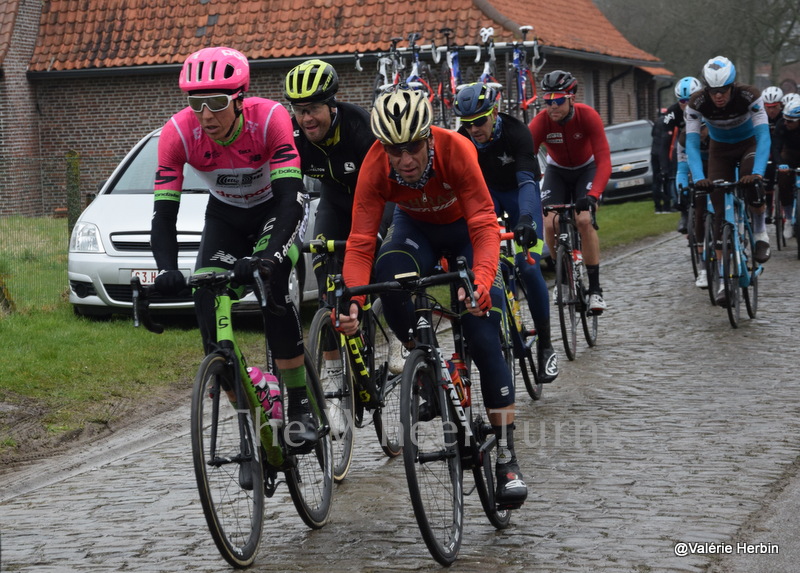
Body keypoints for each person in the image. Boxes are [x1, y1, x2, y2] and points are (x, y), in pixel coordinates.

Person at [338, 85, 528, 508]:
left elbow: (483, 224)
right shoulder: (375, 165)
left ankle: (507, 455)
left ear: (428, 136)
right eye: (394, 150)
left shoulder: (457, 148)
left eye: (413, 148)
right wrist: (352, 301)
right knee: (389, 275)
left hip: (465, 230)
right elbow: (361, 241)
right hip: (416, 230)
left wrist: (479, 281)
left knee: (482, 328)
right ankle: (423, 362)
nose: (404, 160)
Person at [150, 47, 317, 447]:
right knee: (206, 301)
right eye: (196, 102)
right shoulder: (177, 133)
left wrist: (266, 256)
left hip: (275, 209)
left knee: (271, 285)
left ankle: (299, 404)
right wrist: (166, 268)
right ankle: (249, 414)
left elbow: (291, 195)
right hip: (225, 217)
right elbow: (163, 216)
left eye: (217, 103)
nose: (206, 114)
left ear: (240, 99)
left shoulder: (271, 118)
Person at [453, 82, 558, 383]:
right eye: (467, 123)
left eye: (479, 121)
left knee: (528, 265)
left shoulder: (516, 133)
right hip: (486, 199)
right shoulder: (462, 141)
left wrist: (526, 218)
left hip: (518, 195)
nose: (473, 129)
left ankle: (547, 346)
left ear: (494, 113)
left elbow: (527, 184)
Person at [284, 59, 393, 302]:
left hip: (375, 198)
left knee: (370, 271)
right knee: (324, 270)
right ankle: (331, 326)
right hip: (333, 200)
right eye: (299, 110)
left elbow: (385, 183)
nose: (306, 118)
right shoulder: (294, 136)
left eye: (313, 108)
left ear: (331, 106)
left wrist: (376, 231)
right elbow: (289, 191)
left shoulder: (360, 126)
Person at [685, 55, 772, 307]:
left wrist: (757, 173)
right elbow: (691, 143)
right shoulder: (697, 102)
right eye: (713, 91)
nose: (718, 96)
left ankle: (760, 233)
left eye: (723, 91)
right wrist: (700, 178)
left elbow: (764, 136)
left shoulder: (749, 96)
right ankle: (724, 282)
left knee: (752, 185)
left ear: (732, 86)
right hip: (719, 150)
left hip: (749, 145)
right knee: (720, 211)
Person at [528, 70, 611, 313]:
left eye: (558, 100)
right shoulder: (541, 122)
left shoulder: (588, 116)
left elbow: (604, 160)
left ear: (571, 98)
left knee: (583, 220)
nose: (552, 106)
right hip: (558, 172)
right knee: (550, 223)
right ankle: (562, 279)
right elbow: (526, 159)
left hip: (587, 169)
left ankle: (595, 291)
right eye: (548, 100)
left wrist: (594, 194)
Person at [666, 76, 703, 231]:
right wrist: (665, 164)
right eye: (682, 101)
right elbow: (663, 138)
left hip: (705, 146)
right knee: (679, 173)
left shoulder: (706, 107)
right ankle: (684, 213)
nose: (687, 104)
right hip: (684, 146)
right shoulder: (673, 112)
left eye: (691, 100)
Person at [772, 99, 800, 241]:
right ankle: (788, 218)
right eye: (785, 119)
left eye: (791, 121)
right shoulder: (781, 125)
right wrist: (780, 164)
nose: (786, 123)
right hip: (789, 153)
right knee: (783, 180)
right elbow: (776, 147)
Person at [762, 86, 784, 221]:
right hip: (767, 150)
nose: (771, 110)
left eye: (775, 107)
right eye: (768, 107)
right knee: (767, 177)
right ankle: (768, 208)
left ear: (781, 105)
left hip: (782, 149)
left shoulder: (785, 117)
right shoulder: (761, 117)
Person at [650, 107, 674, 214]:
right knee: (666, 179)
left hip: (654, 152)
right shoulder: (668, 122)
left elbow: (653, 134)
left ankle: (657, 206)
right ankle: (666, 206)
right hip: (662, 153)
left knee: (656, 180)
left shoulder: (657, 122)